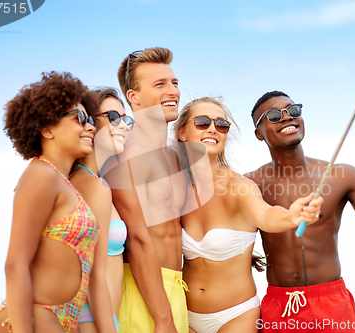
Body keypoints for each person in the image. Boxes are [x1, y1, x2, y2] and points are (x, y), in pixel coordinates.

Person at [245, 91, 355, 332]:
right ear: (259, 133)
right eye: (273, 115)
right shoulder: (250, 185)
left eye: (293, 111)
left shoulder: (341, 176)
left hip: (331, 306)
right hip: (278, 307)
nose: (286, 118)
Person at [172, 96, 323, 333]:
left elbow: (266, 215)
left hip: (236, 316)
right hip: (184, 315)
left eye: (221, 125)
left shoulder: (240, 186)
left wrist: (291, 216)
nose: (213, 129)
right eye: (202, 122)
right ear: (182, 132)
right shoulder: (175, 189)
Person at [0, 72, 100, 333]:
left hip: (58, 320)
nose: (91, 126)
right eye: (79, 119)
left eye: (91, 119)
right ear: (47, 128)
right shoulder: (40, 174)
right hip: (31, 317)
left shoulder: (62, 182)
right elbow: (15, 265)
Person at [109, 47, 204, 333]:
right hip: (141, 293)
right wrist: (163, 318)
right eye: (159, 84)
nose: (172, 90)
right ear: (133, 97)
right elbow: (137, 239)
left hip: (176, 290)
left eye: (174, 83)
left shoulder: (176, 158)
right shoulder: (126, 156)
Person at [71, 88, 134, 333]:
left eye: (126, 120)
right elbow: (92, 274)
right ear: (89, 121)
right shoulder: (94, 186)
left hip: (101, 317)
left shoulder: (84, 180)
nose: (123, 126)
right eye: (113, 117)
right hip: (93, 319)